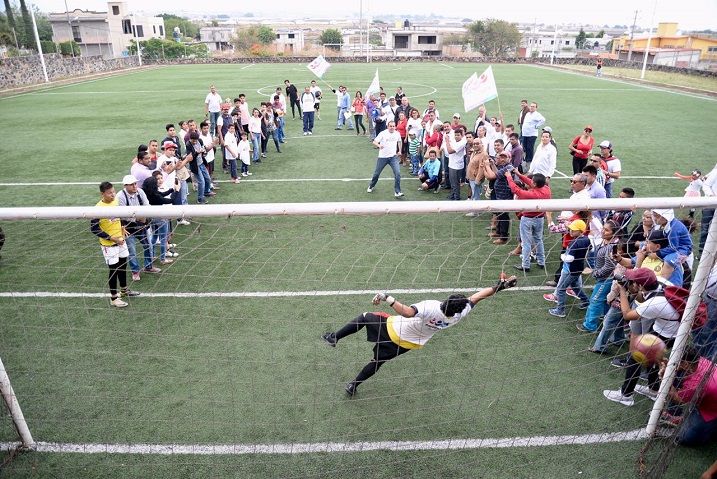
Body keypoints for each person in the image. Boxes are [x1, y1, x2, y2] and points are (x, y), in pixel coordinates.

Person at [321, 275, 518, 396]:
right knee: (377, 361)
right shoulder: (459, 315)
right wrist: (500, 286)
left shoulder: (432, 306)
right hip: (409, 343)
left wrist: (387, 297)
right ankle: (353, 385)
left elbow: (406, 312)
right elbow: (478, 296)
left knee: (365, 317)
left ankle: (334, 337)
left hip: (394, 328)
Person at [603, 268, 681, 407]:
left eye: (633, 282)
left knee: (635, 356)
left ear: (640, 285)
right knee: (652, 357)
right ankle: (653, 389)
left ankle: (625, 395)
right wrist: (631, 290)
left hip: (667, 334)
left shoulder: (654, 303)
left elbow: (627, 314)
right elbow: (643, 298)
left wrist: (621, 292)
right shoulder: (660, 283)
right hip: (669, 329)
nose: (630, 283)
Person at [91, 181, 140, 308]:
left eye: (113, 192)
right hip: (109, 245)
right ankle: (113, 298)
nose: (112, 194)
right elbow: (94, 228)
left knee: (123, 265)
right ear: (102, 194)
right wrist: (112, 238)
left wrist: (122, 227)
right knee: (113, 270)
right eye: (109, 193)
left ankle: (124, 290)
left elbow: (120, 218)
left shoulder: (116, 201)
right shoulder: (98, 209)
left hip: (121, 240)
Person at [668, 346, 717, 446]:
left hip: (712, 411)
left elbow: (678, 399)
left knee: (685, 438)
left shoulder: (694, 385)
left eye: (676, 361)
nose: (673, 362)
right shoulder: (700, 360)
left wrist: (665, 378)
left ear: (686, 364)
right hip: (711, 398)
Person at [116, 175, 159, 281]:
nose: (135, 186)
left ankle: (148, 266)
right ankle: (135, 271)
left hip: (141, 225)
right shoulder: (120, 196)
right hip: (127, 227)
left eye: (135, 183)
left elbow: (147, 205)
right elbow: (123, 215)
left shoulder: (140, 192)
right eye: (132, 184)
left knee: (147, 245)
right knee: (132, 251)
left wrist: (142, 217)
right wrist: (139, 217)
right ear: (125, 186)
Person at [506, 171, 551, 272]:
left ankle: (525, 265)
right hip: (540, 218)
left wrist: (509, 177)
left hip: (527, 219)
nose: (530, 182)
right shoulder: (547, 189)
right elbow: (530, 181)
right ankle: (541, 262)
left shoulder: (531, 194)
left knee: (526, 242)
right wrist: (518, 173)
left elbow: (515, 189)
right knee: (539, 240)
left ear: (534, 184)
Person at [580, 220, 619, 332]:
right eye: (603, 228)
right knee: (605, 301)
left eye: (606, 230)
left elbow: (609, 266)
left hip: (607, 278)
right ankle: (606, 320)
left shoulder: (612, 247)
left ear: (614, 233)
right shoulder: (605, 242)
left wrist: (595, 273)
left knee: (595, 300)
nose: (603, 231)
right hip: (604, 277)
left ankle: (590, 325)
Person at [547, 220, 591, 318]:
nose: (570, 231)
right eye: (570, 229)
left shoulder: (574, 243)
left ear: (580, 231)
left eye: (573, 230)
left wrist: (563, 256)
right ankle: (586, 302)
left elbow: (569, 258)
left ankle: (560, 310)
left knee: (561, 289)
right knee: (575, 287)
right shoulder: (586, 240)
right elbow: (590, 249)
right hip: (579, 268)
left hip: (570, 270)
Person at [142, 171, 180, 265]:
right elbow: (170, 200)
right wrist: (177, 191)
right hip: (161, 218)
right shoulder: (155, 196)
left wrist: (172, 190)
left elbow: (162, 194)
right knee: (163, 238)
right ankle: (163, 259)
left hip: (152, 218)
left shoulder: (148, 193)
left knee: (154, 236)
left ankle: (153, 255)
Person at [367, 121, 403, 198]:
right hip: (382, 157)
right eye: (390, 126)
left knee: (398, 173)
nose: (392, 127)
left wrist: (400, 150)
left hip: (393, 157)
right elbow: (375, 141)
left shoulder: (397, 134)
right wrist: (379, 146)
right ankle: (371, 186)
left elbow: (399, 141)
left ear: (395, 127)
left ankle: (397, 191)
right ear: (387, 126)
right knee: (377, 173)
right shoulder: (383, 133)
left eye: (393, 126)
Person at [444, 127, 467, 201]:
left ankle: (457, 197)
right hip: (452, 164)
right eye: (455, 135)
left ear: (462, 135)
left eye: (458, 135)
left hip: (456, 166)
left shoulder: (462, 143)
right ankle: (453, 195)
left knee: (455, 182)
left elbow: (450, 151)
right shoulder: (455, 141)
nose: (456, 136)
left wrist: (447, 141)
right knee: (452, 181)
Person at [520, 102, 545, 167]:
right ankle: (526, 159)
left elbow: (543, 120)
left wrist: (537, 126)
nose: (531, 107)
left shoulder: (537, 114)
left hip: (532, 134)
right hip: (525, 133)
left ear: (536, 108)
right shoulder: (528, 114)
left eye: (533, 106)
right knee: (524, 147)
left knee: (529, 147)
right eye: (531, 106)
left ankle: (529, 160)